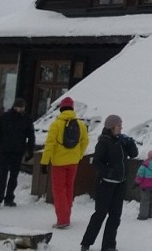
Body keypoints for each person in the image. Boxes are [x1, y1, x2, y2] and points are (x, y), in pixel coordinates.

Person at [81, 114, 138, 251]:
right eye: (119, 125)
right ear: (111, 127)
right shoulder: (103, 142)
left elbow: (134, 154)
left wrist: (130, 143)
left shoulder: (121, 141)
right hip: (105, 184)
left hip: (120, 184)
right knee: (100, 214)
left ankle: (108, 245)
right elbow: (96, 162)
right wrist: (109, 172)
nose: (121, 128)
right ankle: (86, 243)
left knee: (115, 216)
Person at [40, 96, 89, 229]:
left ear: (61, 108)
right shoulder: (80, 124)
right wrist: (78, 155)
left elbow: (50, 145)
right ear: (72, 108)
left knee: (59, 191)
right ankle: (67, 215)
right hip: (73, 162)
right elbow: (85, 141)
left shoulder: (56, 124)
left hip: (58, 163)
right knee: (69, 189)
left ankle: (62, 219)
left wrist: (44, 162)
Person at [0, 98, 35, 207]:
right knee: (2, 175)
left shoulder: (26, 119)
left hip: (17, 151)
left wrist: (30, 150)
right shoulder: (5, 117)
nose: (21, 109)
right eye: (19, 107)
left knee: (13, 176)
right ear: (15, 106)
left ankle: (9, 197)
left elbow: (31, 136)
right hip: (5, 150)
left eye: (23, 107)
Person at [134, 149, 152, 220]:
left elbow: (140, 176)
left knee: (145, 201)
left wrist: (137, 182)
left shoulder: (144, 166)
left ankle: (143, 216)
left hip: (145, 187)